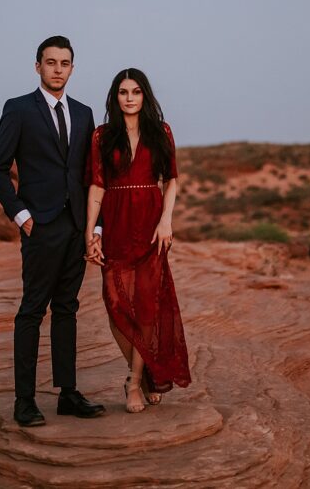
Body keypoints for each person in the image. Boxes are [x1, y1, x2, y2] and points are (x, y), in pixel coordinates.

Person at [0, 36, 106, 427]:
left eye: (65, 63)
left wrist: (94, 226)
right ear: (37, 66)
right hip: (39, 226)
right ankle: (24, 401)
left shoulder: (85, 113)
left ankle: (68, 394)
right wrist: (22, 216)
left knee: (68, 309)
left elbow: (92, 175)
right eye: (51, 62)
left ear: (73, 68)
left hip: (76, 226)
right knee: (32, 311)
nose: (58, 69)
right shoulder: (19, 109)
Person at [85, 68, 191, 413]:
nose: (129, 98)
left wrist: (166, 221)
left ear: (145, 96)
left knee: (146, 308)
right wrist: (91, 232)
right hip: (115, 223)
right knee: (116, 305)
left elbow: (171, 180)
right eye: (122, 92)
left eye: (135, 92)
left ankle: (134, 382)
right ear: (115, 97)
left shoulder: (161, 131)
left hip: (150, 225)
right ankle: (146, 372)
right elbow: (97, 185)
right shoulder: (102, 135)